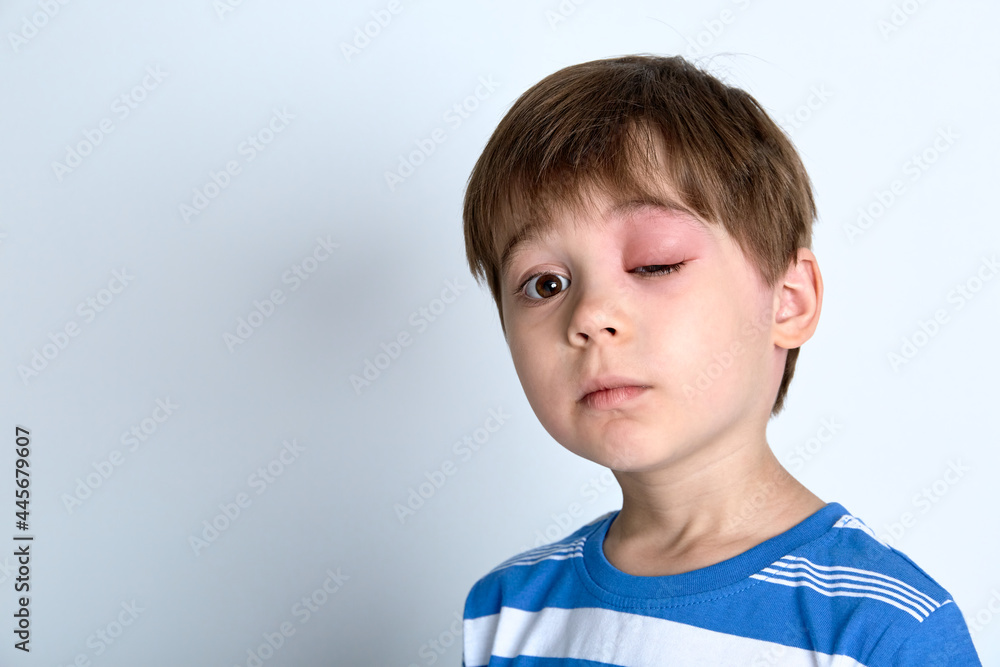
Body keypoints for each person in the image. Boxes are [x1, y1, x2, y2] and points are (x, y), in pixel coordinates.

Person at [458, 54, 981, 665]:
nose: (589, 315)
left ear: (789, 302)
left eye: (655, 264)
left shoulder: (881, 628)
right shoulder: (507, 611)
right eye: (545, 284)